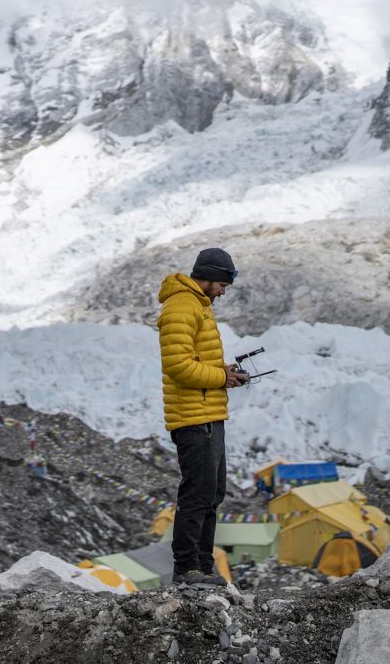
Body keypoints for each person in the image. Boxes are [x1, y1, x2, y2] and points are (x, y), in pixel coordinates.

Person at [157, 247, 246, 586]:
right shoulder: (181, 306)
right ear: (208, 277)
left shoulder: (198, 306)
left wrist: (223, 373)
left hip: (209, 413)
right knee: (197, 494)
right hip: (193, 418)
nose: (223, 292)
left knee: (212, 493)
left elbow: (194, 360)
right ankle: (186, 569)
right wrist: (222, 377)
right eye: (222, 284)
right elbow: (179, 367)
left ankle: (204, 566)